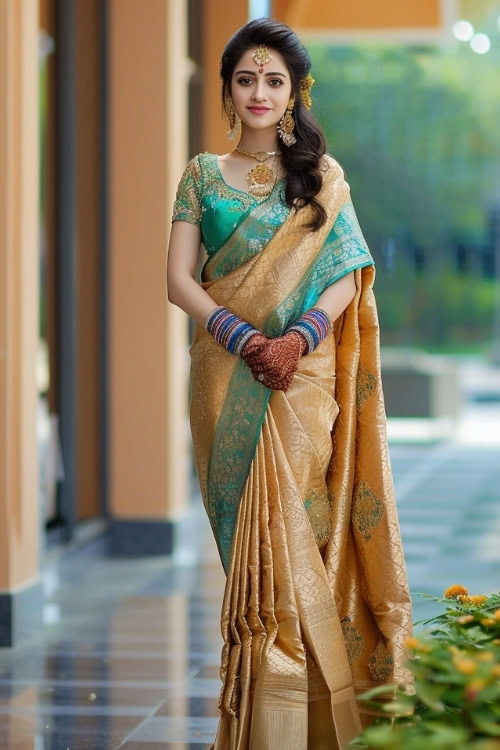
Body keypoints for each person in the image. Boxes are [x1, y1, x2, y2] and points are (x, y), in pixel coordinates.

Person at [166, 17, 414, 750]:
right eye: (246, 79)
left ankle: (311, 722)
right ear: (227, 89)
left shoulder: (323, 178)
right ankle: (261, 726)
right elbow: (177, 281)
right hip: (225, 375)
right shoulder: (202, 174)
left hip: (302, 384)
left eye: (274, 80)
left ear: (295, 91)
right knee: (249, 556)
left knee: (297, 541)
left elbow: (348, 272)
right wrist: (241, 337)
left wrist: (299, 337)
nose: (259, 93)